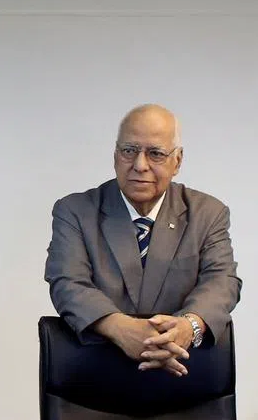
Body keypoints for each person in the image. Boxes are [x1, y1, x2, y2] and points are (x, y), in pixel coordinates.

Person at [44, 104, 241, 377]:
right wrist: (121, 329)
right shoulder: (75, 211)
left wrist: (187, 326)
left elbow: (222, 282)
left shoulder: (208, 213)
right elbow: (67, 282)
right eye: (129, 151)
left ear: (178, 161)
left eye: (156, 154)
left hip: (184, 374)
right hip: (95, 374)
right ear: (115, 155)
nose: (140, 165)